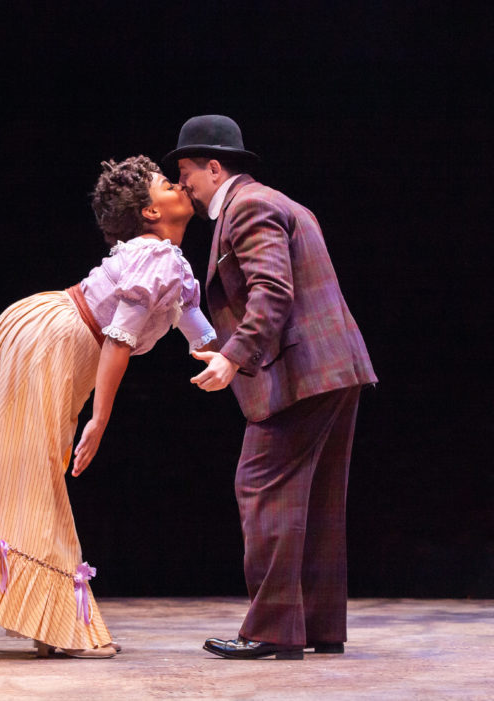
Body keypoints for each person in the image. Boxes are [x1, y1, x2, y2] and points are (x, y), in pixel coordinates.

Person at [0, 156, 216, 658]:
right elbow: (118, 338)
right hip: (54, 339)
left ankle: (47, 617)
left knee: (31, 469)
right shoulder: (156, 256)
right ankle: (61, 624)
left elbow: (194, 323)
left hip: (46, 330)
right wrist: (100, 419)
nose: (179, 184)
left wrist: (233, 358)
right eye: (165, 183)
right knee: (37, 471)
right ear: (149, 213)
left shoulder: (164, 259)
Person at [164, 115, 376, 660]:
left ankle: (274, 630)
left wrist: (233, 359)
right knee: (319, 499)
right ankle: (319, 626)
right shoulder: (281, 202)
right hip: (333, 367)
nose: (183, 184)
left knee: (262, 488)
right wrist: (227, 345)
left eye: (186, 172)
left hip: (305, 374)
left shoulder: (250, 207)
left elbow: (273, 293)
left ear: (214, 168)